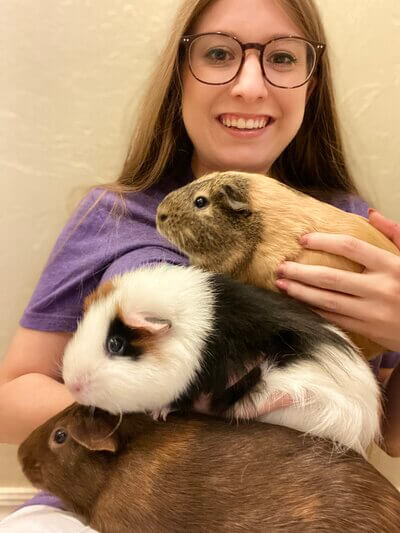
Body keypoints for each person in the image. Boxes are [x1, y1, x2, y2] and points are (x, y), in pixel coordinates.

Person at [1, 0, 399, 529]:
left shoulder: (351, 227)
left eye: (282, 59)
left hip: (293, 514)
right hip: (118, 512)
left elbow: (388, 434)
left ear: (311, 81)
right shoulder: (114, 215)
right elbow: (12, 395)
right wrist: (157, 413)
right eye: (219, 53)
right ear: (180, 75)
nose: (250, 86)